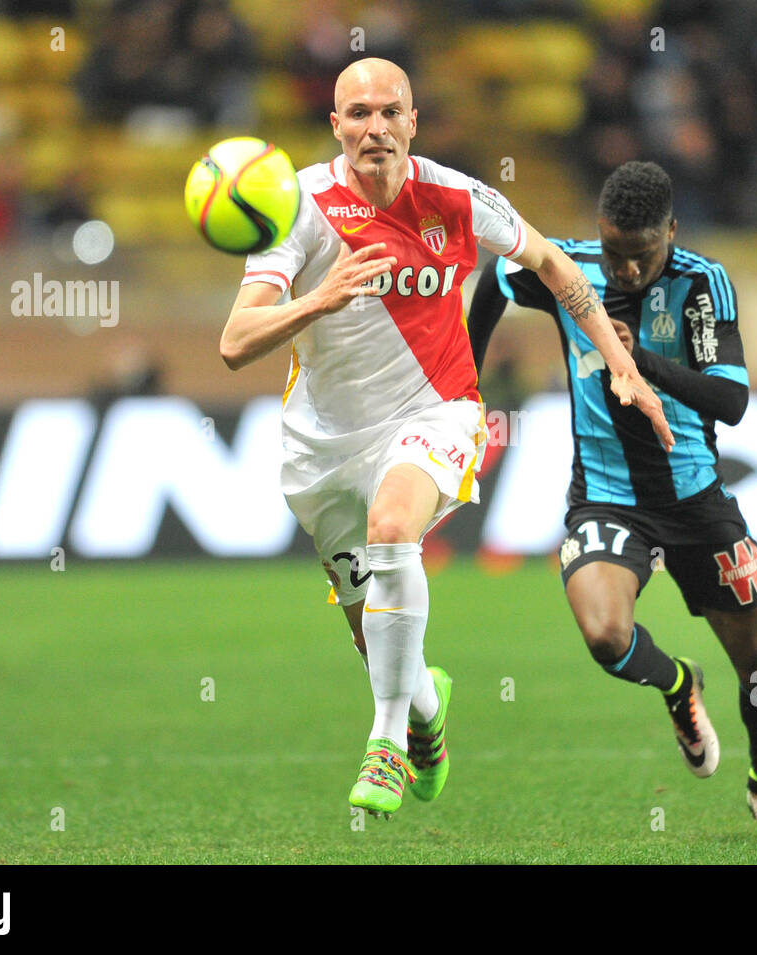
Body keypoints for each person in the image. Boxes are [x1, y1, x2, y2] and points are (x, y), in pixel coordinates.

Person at [219, 59, 672, 819]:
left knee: (394, 527)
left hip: (437, 411)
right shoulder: (297, 206)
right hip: (324, 444)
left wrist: (621, 364)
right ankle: (424, 712)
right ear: (336, 126)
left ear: (412, 121)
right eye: (358, 114)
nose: (375, 128)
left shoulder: (457, 196)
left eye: (389, 112)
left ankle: (386, 742)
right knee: (374, 635)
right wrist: (320, 299)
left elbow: (552, 263)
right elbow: (236, 341)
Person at [466, 161, 757, 838]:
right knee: (604, 635)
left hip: (696, 498)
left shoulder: (701, 284)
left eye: (640, 255)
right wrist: (463, 382)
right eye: (613, 250)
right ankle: (678, 683)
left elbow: (731, 400)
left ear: (670, 233)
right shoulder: (568, 269)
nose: (623, 269)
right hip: (607, 497)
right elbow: (494, 276)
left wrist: (637, 359)